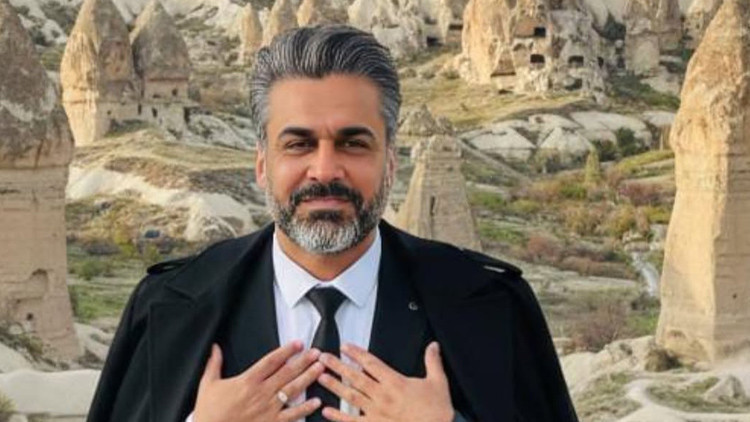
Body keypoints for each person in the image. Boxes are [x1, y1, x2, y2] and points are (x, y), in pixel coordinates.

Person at [86, 24, 578, 422]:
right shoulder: (169, 310)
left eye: (353, 143)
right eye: (298, 144)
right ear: (262, 164)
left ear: (390, 163)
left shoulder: (490, 307)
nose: (324, 170)